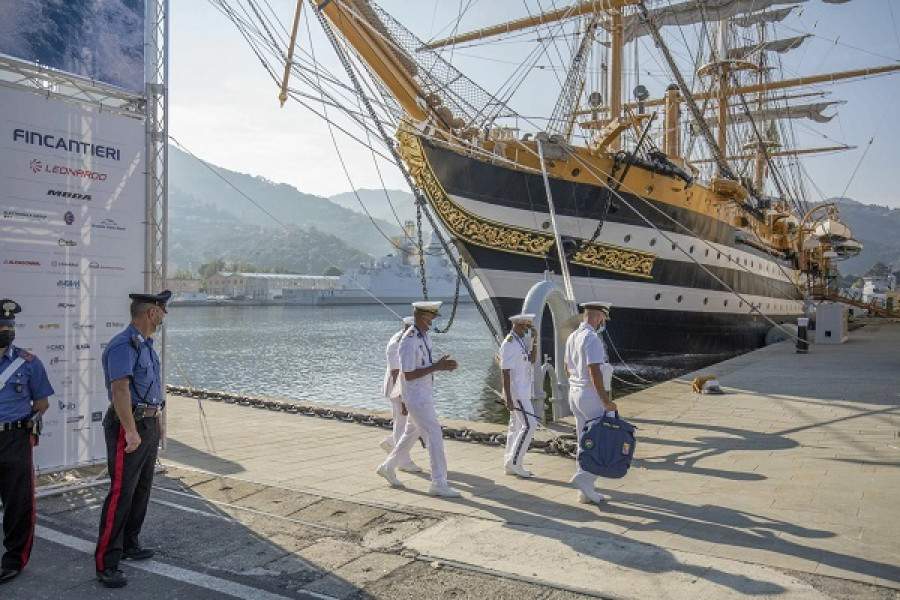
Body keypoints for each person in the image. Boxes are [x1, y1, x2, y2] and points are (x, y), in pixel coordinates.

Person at [94, 290, 170, 588]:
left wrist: (157, 422)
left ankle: (129, 543)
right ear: (152, 312)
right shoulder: (123, 345)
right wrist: (131, 431)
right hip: (130, 425)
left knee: (141, 487)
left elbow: (150, 390)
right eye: (162, 312)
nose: (164, 318)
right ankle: (106, 563)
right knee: (120, 493)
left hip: (147, 423)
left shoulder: (147, 346)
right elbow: (120, 391)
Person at [376, 301, 461, 497]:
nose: (432, 322)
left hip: (423, 394)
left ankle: (387, 467)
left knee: (409, 435)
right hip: (416, 396)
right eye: (431, 318)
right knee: (435, 436)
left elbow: (422, 368)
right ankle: (439, 483)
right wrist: (437, 367)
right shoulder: (409, 341)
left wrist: (440, 366)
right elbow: (408, 374)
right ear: (424, 317)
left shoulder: (422, 337)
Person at [0, 299, 53, 584]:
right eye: (1, 325)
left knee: (17, 502)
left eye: (9, 325)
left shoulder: (29, 363)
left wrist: (32, 419)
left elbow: (42, 401)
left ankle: (13, 559)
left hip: (14, 438)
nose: (5, 329)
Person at [563, 301, 617, 505]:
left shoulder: (573, 337)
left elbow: (567, 368)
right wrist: (606, 401)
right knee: (600, 440)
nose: (603, 322)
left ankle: (585, 492)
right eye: (603, 319)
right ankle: (584, 479)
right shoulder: (592, 338)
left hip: (575, 394)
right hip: (590, 395)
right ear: (598, 317)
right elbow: (595, 372)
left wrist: (577, 385)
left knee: (583, 441)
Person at [379, 316, 421, 473]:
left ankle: (391, 442)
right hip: (398, 389)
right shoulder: (396, 344)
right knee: (401, 423)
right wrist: (403, 398)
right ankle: (403, 461)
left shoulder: (407, 339)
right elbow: (397, 373)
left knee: (411, 424)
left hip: (410, 387)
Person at [500, 313, 538, 478]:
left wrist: (534, 341)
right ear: (518, 325)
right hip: (517, 393)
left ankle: (509, 461)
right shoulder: (509, 343)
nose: (528, 330)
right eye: (526, 327)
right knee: (530, 425)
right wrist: (508, 398)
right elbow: (505, 372)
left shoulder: (519, 341)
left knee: (515, 427)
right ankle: (515, 462)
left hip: (523, 390)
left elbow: (532, 360)